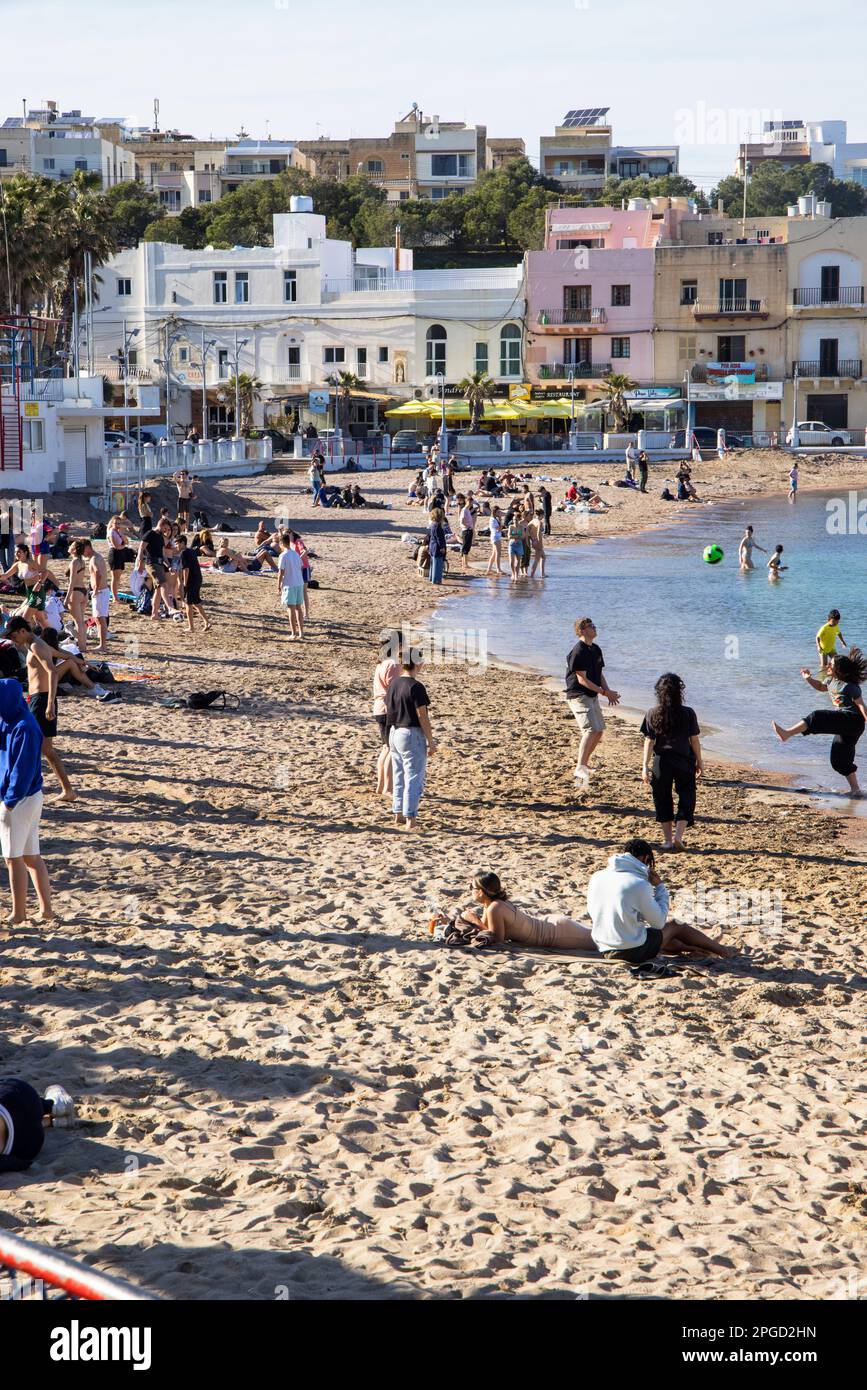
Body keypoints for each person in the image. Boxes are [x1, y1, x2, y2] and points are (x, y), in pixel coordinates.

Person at [587, 839, 736, 966]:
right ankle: (723, 951)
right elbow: (658, 923)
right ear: (645, 859)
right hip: (631, 952)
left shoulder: (597, 876)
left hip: (603, 947)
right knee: (676, 925)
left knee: (660, 936)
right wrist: (660, 887)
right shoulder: (638, 884)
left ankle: (694, 948)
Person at [772, 650, 867, 797]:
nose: (828, 665)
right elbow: (821, 687)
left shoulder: (850, 686)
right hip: (844, 723)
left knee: (816, 717)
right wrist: (808, 678)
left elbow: (861, 706)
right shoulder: (830, 681)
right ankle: (856, 790)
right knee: (839, 760)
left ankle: (787, 733)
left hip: (853, 721)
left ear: (839, 669)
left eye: (832, 664)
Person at [0, 677, 52, 926]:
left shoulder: (23, 727)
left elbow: (22, 770)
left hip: (19, 799)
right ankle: (46, 910)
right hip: (30, 796)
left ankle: (19, 912)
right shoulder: (14, 719)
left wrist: (9, 801)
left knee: (13, 858)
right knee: (32, 856)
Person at [5, 617, 76, 802]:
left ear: (22, 630)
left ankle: (65, 790)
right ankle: (64, 789)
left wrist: (50, 702)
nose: (12, 640)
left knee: (43, 748)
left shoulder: (35, 645)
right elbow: (54, 653)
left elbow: (52, 671)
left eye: (13, 635)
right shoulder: (34, 643)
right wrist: (72, 658)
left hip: (42, 698)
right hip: (37, 698)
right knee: (41, 747)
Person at [640, 673, 702, 850]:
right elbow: (694, 741)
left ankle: (667, 840)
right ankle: (678, 836)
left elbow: (649, 741)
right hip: (684, 761)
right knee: (687, 796)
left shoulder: (652, 713)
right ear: (679, 692)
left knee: (662, 799)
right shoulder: (688, 713)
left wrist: (644, 766)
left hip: (661, 762)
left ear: (658, 693)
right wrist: (700, 762)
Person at [385, 648, 436, 831]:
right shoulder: (416, 686)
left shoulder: (394, 684)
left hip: (395, 731)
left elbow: (388, 708)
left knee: (399, 775)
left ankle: (398, 813)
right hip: (411, 733)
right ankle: (410, 820)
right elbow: (423, 716)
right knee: (414, 777)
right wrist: (431, 740)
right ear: (417, 663)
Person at [565, 617, 619, 788]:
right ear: (582, 630)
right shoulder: (578, 651)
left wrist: (608, 692)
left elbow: (599, 674)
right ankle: (579, 767)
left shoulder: (595, 649)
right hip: (579, 695)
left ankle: (585, 764)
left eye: (594, 625)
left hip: (593, 695)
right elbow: (582, 680)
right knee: (590, 730)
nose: (595, 628)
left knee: (599, 731)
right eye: (591, 626)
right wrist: (604, 692)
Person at [0, 1078, 74, 1172]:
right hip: (19, 1096)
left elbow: (20, 1165)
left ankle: (49, 1121)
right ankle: (55, 1106)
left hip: (25, 1148)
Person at [372, 632, 401, 796]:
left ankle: (381, 785)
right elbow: (394, 690)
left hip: (379, 707)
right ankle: (388, 787)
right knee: (392, 748)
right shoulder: (392, 664)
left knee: (386, 747)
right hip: (388, 708)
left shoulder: (381, 663)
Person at [83, 540, 111, 653]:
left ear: (88, 547)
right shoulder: (97, 557)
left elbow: (98, 573)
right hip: (102, 591)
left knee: (100, 619)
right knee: (100, 618)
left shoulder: (94, 558)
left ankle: (102, 646)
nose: (82, 552)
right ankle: (102, 645)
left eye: (83, 549)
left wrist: (95, 589)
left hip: (100, 591)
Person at [277, 531, 304, 640]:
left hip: (290, 584)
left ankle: (293, 633)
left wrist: (278, 585)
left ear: (282, 543)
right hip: (299, 583)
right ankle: (301, 633)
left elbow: (281, 572)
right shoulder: (296, 554)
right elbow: (300, 567)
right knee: (298, 608)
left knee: (291, 609)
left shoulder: (283, 555)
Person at [179, 535, 209, 634]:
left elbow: (186, 569)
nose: (176, 545)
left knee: (188, 603)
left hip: (191, 580)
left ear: (183, 543)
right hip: (198, 578)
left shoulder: (183, 553)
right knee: (196, 602)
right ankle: (207, 622)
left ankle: (191, 627)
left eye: (177, 543)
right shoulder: (191, 551)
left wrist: (184, 583)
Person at [63, 539, 89, 651]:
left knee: (78, 622)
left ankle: (82, 648)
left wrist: (67, 597)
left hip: (76, 592)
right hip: (83, 591)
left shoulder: (74, 562)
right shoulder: (81, 561)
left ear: (74, 550)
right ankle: (83, 645)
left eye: (71, 545)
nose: (69, 546)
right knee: (81, 621)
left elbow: (72, 581)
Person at [107, 513, 136, 600]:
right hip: (115, 553)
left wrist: (122, 535)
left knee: (118, 577)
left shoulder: (118, 532)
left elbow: (126, 542)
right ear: (112, 523)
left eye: (119, 523)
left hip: (120, 553)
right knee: (115, 578)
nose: (117, 525)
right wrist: (123, 546)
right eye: (116, 523)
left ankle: (115, 596)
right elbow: (116, 546)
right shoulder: (111, 531)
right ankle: (115, 598)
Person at [816, 609, 847, 673]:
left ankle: (835, 675)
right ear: (829, 619)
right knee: (824, 665)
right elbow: (817, 637)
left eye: (837, 622)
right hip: (823, 649)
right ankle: (822, 677)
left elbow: (838, 633)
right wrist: (818, 646)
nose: (835, 623)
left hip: (832, 648)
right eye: (834, 622)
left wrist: (842, 641)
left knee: (837, 662)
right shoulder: (824, 628)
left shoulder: (836, 626)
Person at [426, 507, 448, 585]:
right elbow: (440, 538)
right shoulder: (438, 526)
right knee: (437, 564)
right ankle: (436, 580)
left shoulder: (433, 525)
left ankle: (432, 578)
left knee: (433, 564)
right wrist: (442, 547)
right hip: (437, 547)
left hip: (432, 546)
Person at [456, 494, 475, 574]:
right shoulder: (464, 510)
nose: (471, 504)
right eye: (470, 503)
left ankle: (465, 563)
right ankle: (464, 564)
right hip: (466, 530)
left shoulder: (467, 510)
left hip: (468, 529)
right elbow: (462, 521)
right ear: (467, 502)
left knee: (467, 546)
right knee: (465, 547)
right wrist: (468, 526)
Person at [506, 512, 526, 583]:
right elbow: (509, 536)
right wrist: (517, 536)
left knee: (518, 562)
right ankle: (513, 573)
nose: (515, 521)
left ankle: (516, 575)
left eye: (516, 520)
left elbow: (523, 536)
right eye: (514, 520)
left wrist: (515, 536)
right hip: (512, 544)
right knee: (511, 562)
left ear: (519, 520)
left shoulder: (521, 527)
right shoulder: (511, 527)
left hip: (519, 545)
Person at [485, 506, 503, 577]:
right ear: (495, 512)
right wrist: (501, 520)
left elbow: (499, 528)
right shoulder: (493, 519)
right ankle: (498, 569)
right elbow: (499, 529)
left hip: (496, 537)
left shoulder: (495, 519)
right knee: (498, 554)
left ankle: (489, 569)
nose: (499, 513)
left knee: (494, 554)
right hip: (496, 537)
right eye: (498, 512)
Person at [528, 511, 546, 578]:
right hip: (538, 541)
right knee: (536, 559)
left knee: (543, 557)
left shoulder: (532, 521)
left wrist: (530, 540)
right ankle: (532, 576)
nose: (543, 517)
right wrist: (540, 542)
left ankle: (542, 574)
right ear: (541, 515)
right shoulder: (539, 522)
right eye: (543, 515)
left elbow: (527, 531)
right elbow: (538, 532)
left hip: (533, 541)